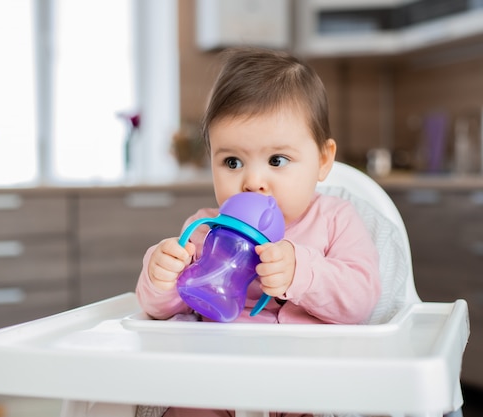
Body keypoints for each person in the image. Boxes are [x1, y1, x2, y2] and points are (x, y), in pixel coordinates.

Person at [135, 47, 381, 416]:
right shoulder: (204, 228)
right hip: (217, 379)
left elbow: (362, 298)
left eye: (277, 160)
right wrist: (161, 276)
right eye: (232, 161)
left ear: (323, 160)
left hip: (307, 380)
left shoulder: (335, 219)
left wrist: (303, 273)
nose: (252, 181)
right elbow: (163, 310)